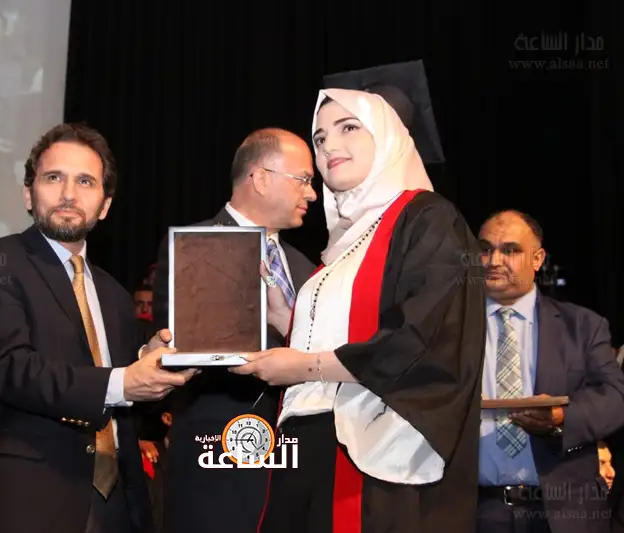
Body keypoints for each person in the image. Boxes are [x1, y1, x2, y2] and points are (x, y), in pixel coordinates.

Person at [232, 60, 485, 533]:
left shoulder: (428, 219)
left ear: (387, 135)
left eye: (348, 127)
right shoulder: (341, 246)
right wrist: (286, 318)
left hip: (372, 451)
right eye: (320, 137)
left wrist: (303, 366)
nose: (329, 146)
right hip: (306, 443)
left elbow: (424, 340)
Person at [0, 123, 196, 533]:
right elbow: (9, 369)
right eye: (54, 178)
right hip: (23, 504)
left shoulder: (114, 294)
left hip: (118, 507)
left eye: (85, 182)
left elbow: (123, 395)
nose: (69, 194)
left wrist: (148, 361)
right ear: (28, 194)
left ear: (105, 205)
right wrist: (124, 382)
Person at [151, 127, 317, 533]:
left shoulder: (309, 269)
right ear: (260, 178)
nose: (312, 194)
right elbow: (191, 353)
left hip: (295, 466)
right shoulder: (194, 247)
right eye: (303, 180)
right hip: (218, 462)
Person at [476, 209, 624, 533]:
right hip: (477, 512)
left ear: (537, 259)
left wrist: (561, 417)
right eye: (485, 249)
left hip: (566, 513)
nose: (494, 260)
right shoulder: (448, 328)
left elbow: (615, 397)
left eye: (510, 250)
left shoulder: (582, 325)